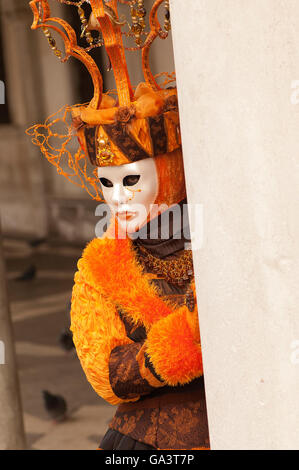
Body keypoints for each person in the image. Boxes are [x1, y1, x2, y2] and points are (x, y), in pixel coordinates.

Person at [27, 0, 210, 450]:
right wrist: (177, 346)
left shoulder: (219, 234)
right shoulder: (101, 264)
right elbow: (105, 372)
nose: (117, 198)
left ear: (169, 171)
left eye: (132, 180)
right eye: (107, 183)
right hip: (146, 444)